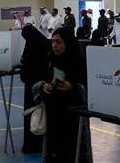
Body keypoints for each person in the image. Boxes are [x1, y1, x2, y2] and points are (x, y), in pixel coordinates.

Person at [33, 28, 92, 163]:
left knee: (74, 152)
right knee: (54, 152)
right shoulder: (49, 59)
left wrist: (73, 87)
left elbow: (88, 88)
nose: (54, 45)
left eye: (58, 42)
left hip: (73, 117)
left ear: (67, 43)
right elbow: (37, 83)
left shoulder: (79, 62)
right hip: (53, 115)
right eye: (53, 42)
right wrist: (43, 86)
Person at [20, 25, 52, 153]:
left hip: (31, 86)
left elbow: (25, 69)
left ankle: (30, 144)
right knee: (44, 114)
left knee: (31, 113)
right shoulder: (46, 42)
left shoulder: (30, 46)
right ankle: (42, 143)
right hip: (45, 85)